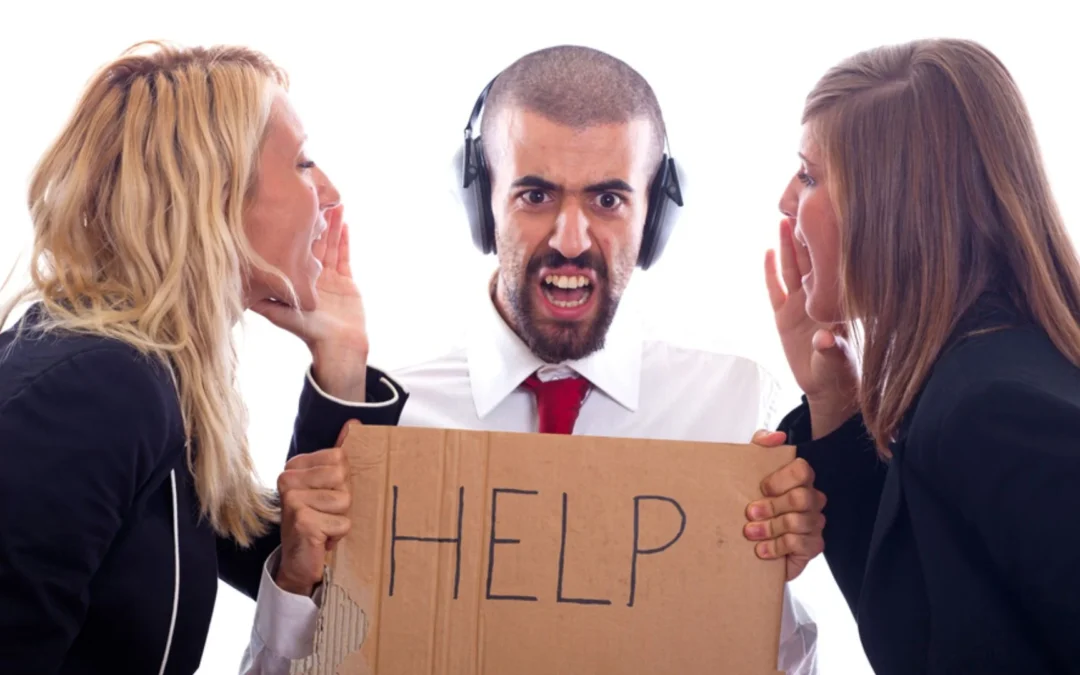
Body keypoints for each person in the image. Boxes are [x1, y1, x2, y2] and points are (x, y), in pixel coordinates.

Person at [400, 45, 823, 674]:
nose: (571, 241)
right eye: (536, 195)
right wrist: (297, 585)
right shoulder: (390, 419)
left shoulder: (738, 411)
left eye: (608, 201)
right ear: (481, 204)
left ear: (657, 217)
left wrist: (768, 591)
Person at [0, 42, 408, 674]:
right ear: (214, 197)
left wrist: (342, 359)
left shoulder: (152, 378)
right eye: (302, 164)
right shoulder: (96, 389)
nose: (328, 194)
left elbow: (268, 551)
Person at [763, 37, 1080, 675]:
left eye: (810, 174)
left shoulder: (992, 407)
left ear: (892, 201)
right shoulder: (976, 374)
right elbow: (920, 631)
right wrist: (835, 402)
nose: (787, 202)